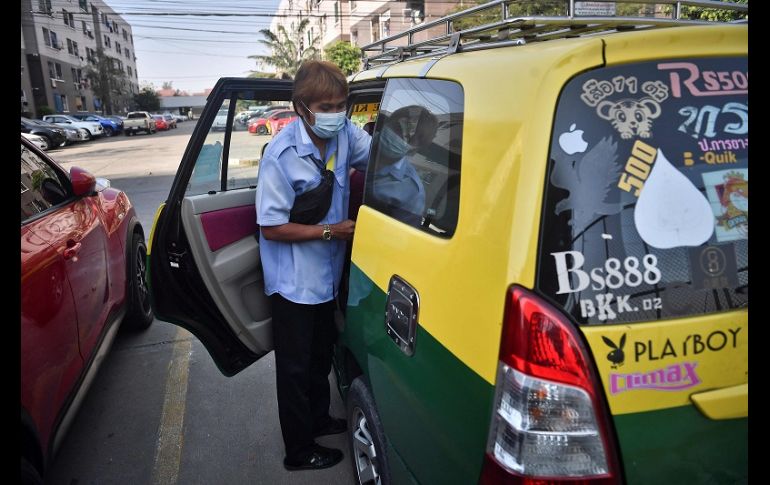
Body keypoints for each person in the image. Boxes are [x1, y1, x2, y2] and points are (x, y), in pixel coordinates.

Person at [254, 60, 371, 471]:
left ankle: (320, 418)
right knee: (295, 368)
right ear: (302, 107)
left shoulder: (343, 135)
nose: (335, 112)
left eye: (341, 104)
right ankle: (299, 449)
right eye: (327, 106)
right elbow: (271, 228)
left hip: (328, 275)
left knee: (322, 354)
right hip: (294, 281)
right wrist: (330, 232)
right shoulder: (280, 155)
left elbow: (378, 155)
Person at [371, 105, 437, 226]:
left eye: (409, 136)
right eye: (397, 127)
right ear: (387, 123)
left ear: (415, 149)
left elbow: (399, 239)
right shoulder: (358, 144)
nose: (399, 135)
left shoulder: (412, 191)